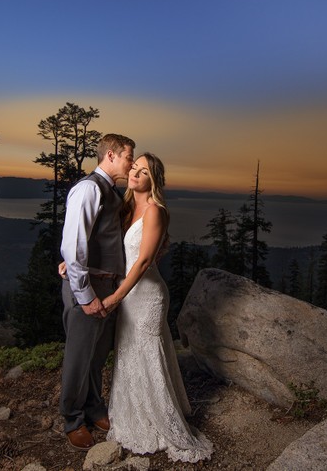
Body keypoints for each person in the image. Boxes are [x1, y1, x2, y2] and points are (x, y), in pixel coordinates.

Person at [101, 153, 213, 463]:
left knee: (147, 353)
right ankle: (133, 415)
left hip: (146, 295)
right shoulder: (125, 208)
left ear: (154, 180)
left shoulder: (155, 211)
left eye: (145, 170)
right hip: (128, 294)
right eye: (134, 166)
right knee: (128, 352)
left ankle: (161, 420)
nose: (136, 172)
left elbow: (145, 261)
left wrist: (115, 297)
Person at [59, 133, 135, 451]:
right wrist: (85, 295)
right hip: (90, 288)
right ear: (112, 155)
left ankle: (93, 406)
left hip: (107, 285)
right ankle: (73, 419)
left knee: (96, 355)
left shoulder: (111, 193)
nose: (132, 162)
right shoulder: (89, 188)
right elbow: (73, 245)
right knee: (78, 357)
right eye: (129, 156)